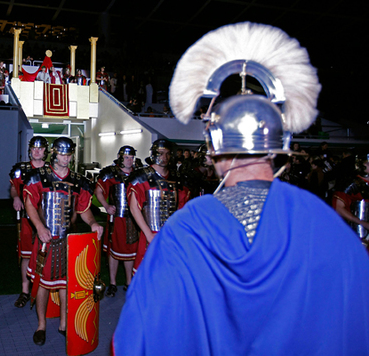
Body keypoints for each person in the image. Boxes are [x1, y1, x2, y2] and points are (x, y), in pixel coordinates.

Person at [114, 22, 369, 355]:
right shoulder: (327, 226)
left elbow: (135, 340)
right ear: (280, 146)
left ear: (215, 149)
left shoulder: (186, 230)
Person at [23, 137, 104, 346]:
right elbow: (29, 203)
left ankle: (64, 323)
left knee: (66, 283)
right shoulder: (38, 177)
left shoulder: (79, 181)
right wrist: (40, 228)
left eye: (69, 155)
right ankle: (41, 325)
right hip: (45, 239)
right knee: (42, 283)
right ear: (54, 154)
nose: (66, 159)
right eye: (62, 154)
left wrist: (93, 223)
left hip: (69, 240)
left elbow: (83, 209)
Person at [126, 138, 189, 274]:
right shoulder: (141, 177)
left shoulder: (177, 178)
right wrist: (148, 234)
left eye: (167, 153)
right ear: (154, 154)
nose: (164, 157)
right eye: (160, 153)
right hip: (151, 233)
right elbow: (134, 208)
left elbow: (182, 208)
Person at [95, 146, 141, 297]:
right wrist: (107, 206)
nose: (130, 160)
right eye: (127, 157)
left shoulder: (138, 174)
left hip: (133, 219)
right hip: (116, 219)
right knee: (114, 252)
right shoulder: (111, 173)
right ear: (121, 158)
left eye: (132, 157)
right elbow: (98, 191)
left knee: (130, 252)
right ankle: (113, 283)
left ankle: (129, 282)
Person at [9, 136, 49, 308]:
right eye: (34, 148)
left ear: (45, 152)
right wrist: (16, 197)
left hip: (48, 220)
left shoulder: (52, 171)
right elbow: (13, 187)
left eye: (40, 148)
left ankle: (46, 290)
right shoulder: (21, 169)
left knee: (48, 254)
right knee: (26, 255)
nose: (37, 151)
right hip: (26, 219)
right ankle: (25, 291)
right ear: (30, 150)